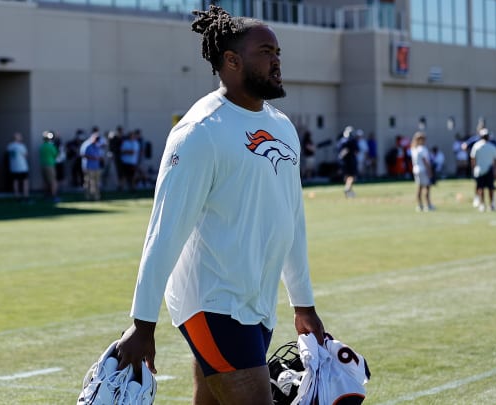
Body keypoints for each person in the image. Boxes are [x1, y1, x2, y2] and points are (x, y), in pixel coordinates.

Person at [115, 6, 324, 404]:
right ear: (232, 60)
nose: (277, 59)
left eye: (278, 51)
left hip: (256, 303)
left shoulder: (282, 126)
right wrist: (142, 324)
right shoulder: (198, 132)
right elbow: (164, 230)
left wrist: (303, 303)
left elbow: (292, 221)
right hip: (211, 301)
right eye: (266, 51)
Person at [470, 128, 496, 212]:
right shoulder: (491, 146)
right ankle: (490, 205)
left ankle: (482, 204)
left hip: (480, 169)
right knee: (489, 188)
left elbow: (472, 159)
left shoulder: (477, 146)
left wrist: (473, 169)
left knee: (481, 188)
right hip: (488, 169)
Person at [410, 132, 434, 212]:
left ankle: (420, 205)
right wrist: (429, 171)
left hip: (416, 170)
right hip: (423, 169)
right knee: (427, 187)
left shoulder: (413, 149)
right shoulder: (422, 149)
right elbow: (425, 161)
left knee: (419, 188)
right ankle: (428, 205)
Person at [7, 132, 30, 200]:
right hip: (22, 167)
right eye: (19, 136)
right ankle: (26, 196)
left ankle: (16, 196)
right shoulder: (21, 146)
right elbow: (26, 155)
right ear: (16, 138)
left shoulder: (9, 146)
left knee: (15, 181)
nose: (21, 137)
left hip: (13, 167)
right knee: (25, 181)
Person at [337, 126, 358, 197]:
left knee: (346, 176)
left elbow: (339, 152)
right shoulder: (352, 141)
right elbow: (356, 151)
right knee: (352, 176)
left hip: (343, 161)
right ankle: (347, 188)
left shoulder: (341, 141)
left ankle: (349, 191)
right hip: (351, 160)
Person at [39, 131, 60, 202]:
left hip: (43, 165)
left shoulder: (42, 146)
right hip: (50, 165)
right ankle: (54, 196)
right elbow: (56, 155)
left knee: (46, 182)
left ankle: (47, 195)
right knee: (53, 181)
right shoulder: (51, 146)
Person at [82, 133, 103, 200]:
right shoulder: (87, 145)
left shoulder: (97, 146)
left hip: (96, 167)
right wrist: (92, 157)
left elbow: (100, 156)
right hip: (89, 167)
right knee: (88, 182)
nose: (97, 140)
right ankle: (87, 196)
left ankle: (96, 197)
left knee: (97, 182)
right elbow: (83, 155)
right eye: (96, 139)